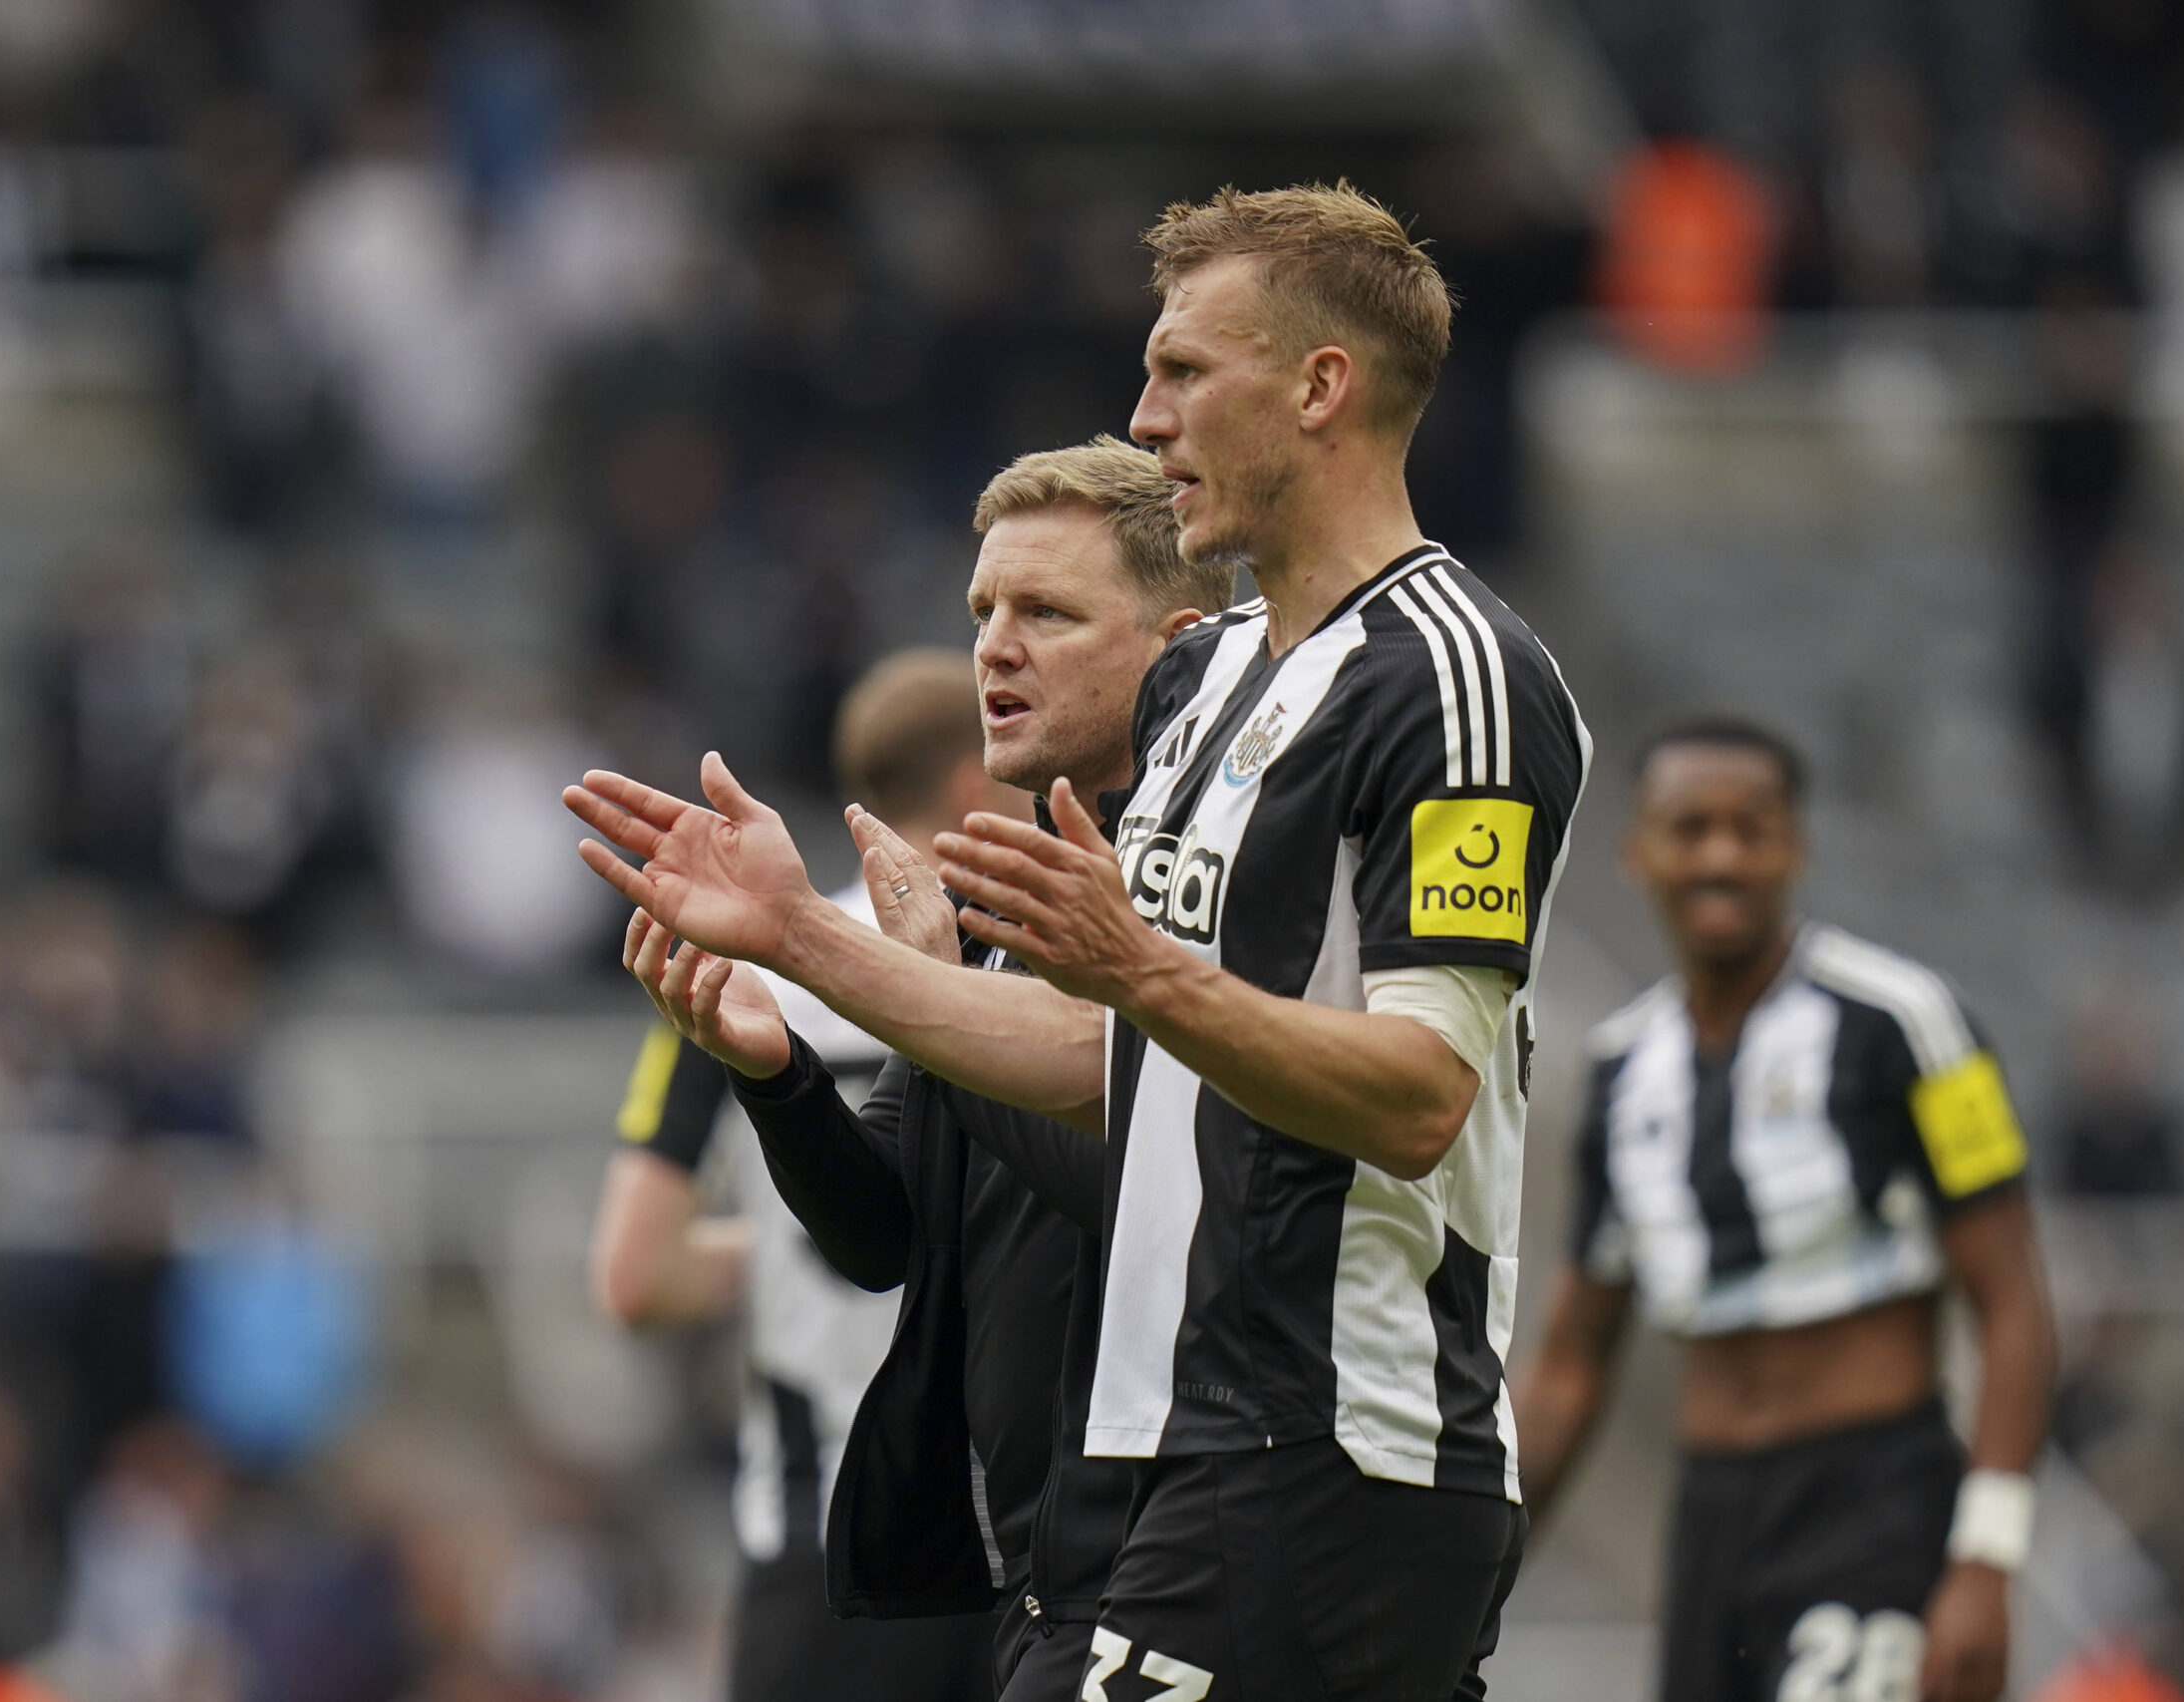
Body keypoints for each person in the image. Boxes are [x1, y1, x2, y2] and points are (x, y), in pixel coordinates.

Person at [568, 182, 1590, 1700]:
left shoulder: (1451, 673)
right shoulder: (1222, 680)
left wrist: (1137, 971)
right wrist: (810, 952)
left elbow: (1423, 1089)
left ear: (1320, 388)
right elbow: (1111, 1070)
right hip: (1161, 1448)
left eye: (1183, 371)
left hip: (1326, 1439)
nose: (1147, 412)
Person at [626, 438, 1233, 1701]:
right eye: (982, 612)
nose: (993, 648)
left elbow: (1167, 1198)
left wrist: (903, 995)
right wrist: (776, 1072)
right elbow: (886, 1234)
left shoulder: (1220, 889)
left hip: (1191, 1548)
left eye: (1045, 612)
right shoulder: (997, 919)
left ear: (1181, 645)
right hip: (1018, 1563)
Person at [1514, 717, 2057, 1702]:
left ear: (1794, 847)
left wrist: (1986, 1558)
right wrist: (1475, 1571)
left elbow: (2013, 1297)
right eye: (1689, 828)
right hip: (1711, 1519)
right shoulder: (1618, 1072)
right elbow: (1570, 1360)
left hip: (1873, 1497)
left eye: (1749, 827)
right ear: (1637, 853)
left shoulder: (1905, 1022)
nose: (1719, 854)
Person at [591, 649, 1024, 1702]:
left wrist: (787, 1235)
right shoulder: (1043, 961)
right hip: (1024, 1533)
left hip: (824, 1533)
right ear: (972, 783)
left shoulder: (739, 963)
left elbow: (632, 1277)